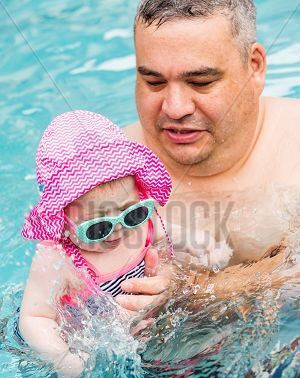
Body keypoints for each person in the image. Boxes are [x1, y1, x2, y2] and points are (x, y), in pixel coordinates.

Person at [115, 0, 300, 313]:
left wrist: (191, 291)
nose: (175, 108)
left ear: (254, 66)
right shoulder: (107, 169)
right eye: (154, 82)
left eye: (201, 82)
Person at [18, 110, 175, 378]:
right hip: (91, 344)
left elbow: (173, 256)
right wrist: (67, 361)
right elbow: (34, 319)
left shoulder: (150, 224)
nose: (119, 230)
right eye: (98, 227)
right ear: (63, 222)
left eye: (132, 213)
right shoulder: (59, 259)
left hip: (143, 332)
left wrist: (169, 273)